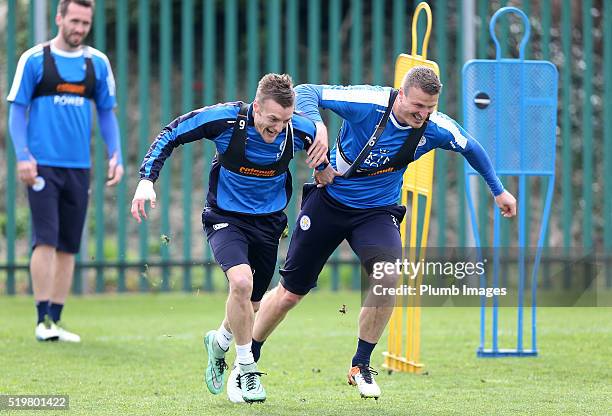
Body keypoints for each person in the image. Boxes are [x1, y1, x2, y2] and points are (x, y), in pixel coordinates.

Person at [247, 66, 517, 399]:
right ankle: (249, 360)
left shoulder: (435, 127)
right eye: (417, 106)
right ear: (400, 94)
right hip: (329, 202)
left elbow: (471, 147)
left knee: (388, 277)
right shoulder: (368, 102)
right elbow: (307, 90)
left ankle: (361, 364)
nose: (422, 114)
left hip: (377, 213)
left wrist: (499, 191)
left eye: (429, 108)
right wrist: (318, 128)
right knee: (290, 294)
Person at [130, 73, 328, 403]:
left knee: (250, 304)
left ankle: (219, 341)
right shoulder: (225, 121)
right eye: (272, 119)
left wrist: (326, 161)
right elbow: (173, 132)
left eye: (285, 120)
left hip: (269, 225)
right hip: (225, 218)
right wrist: (146, 179)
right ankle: (246, 371)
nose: (278, 128)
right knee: (240, 283)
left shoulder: (300, 130)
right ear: (256, 107)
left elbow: (324, 164)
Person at [6, 0, 123, 343]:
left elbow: (105, 113)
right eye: (74, 20)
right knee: (45, 237)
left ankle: (55, 321)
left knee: (69, 244)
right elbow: (17, 111)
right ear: (59, 18)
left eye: (85, 22)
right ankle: (41, 319)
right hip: (41, 165)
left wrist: (114, 154)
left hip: (79, 167)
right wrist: (23, 156)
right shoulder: (34, 59)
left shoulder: (96, 63)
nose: (79, 28)